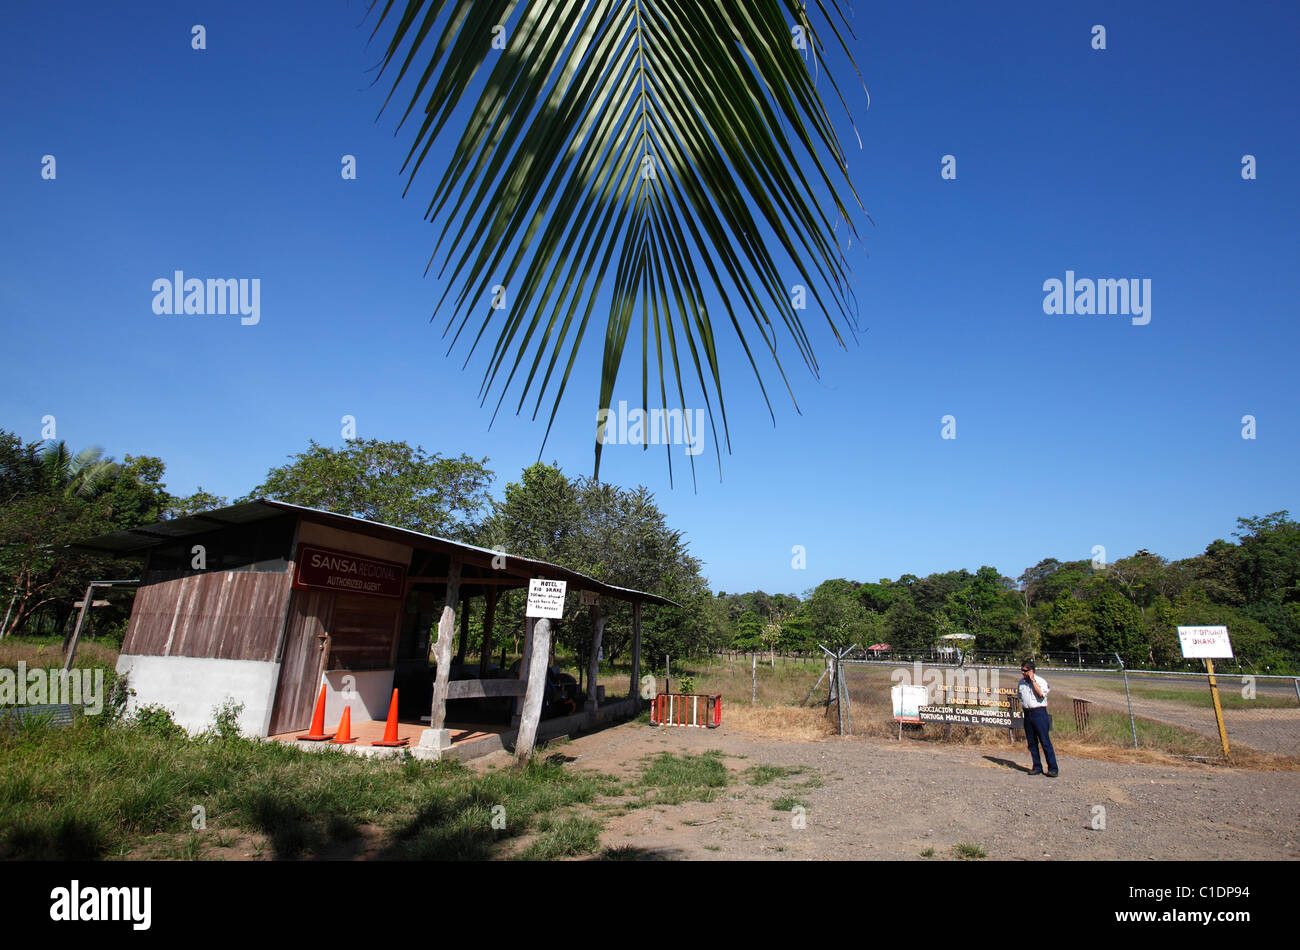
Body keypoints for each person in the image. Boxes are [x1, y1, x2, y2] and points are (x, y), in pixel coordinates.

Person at [1018, 660, 1058, 777]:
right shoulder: (1021, 683)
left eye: (1025, 671)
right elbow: (1020, 696)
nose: (1022, 673)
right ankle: (1036, 766)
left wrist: (1033, 680)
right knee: (1032, 742)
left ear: (1031, 671)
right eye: (1022, 670)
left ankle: (1053, 768)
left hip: (1039, 713)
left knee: (1045, 742)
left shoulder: (1041, 681)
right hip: (1028, 713)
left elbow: (1040, 694)